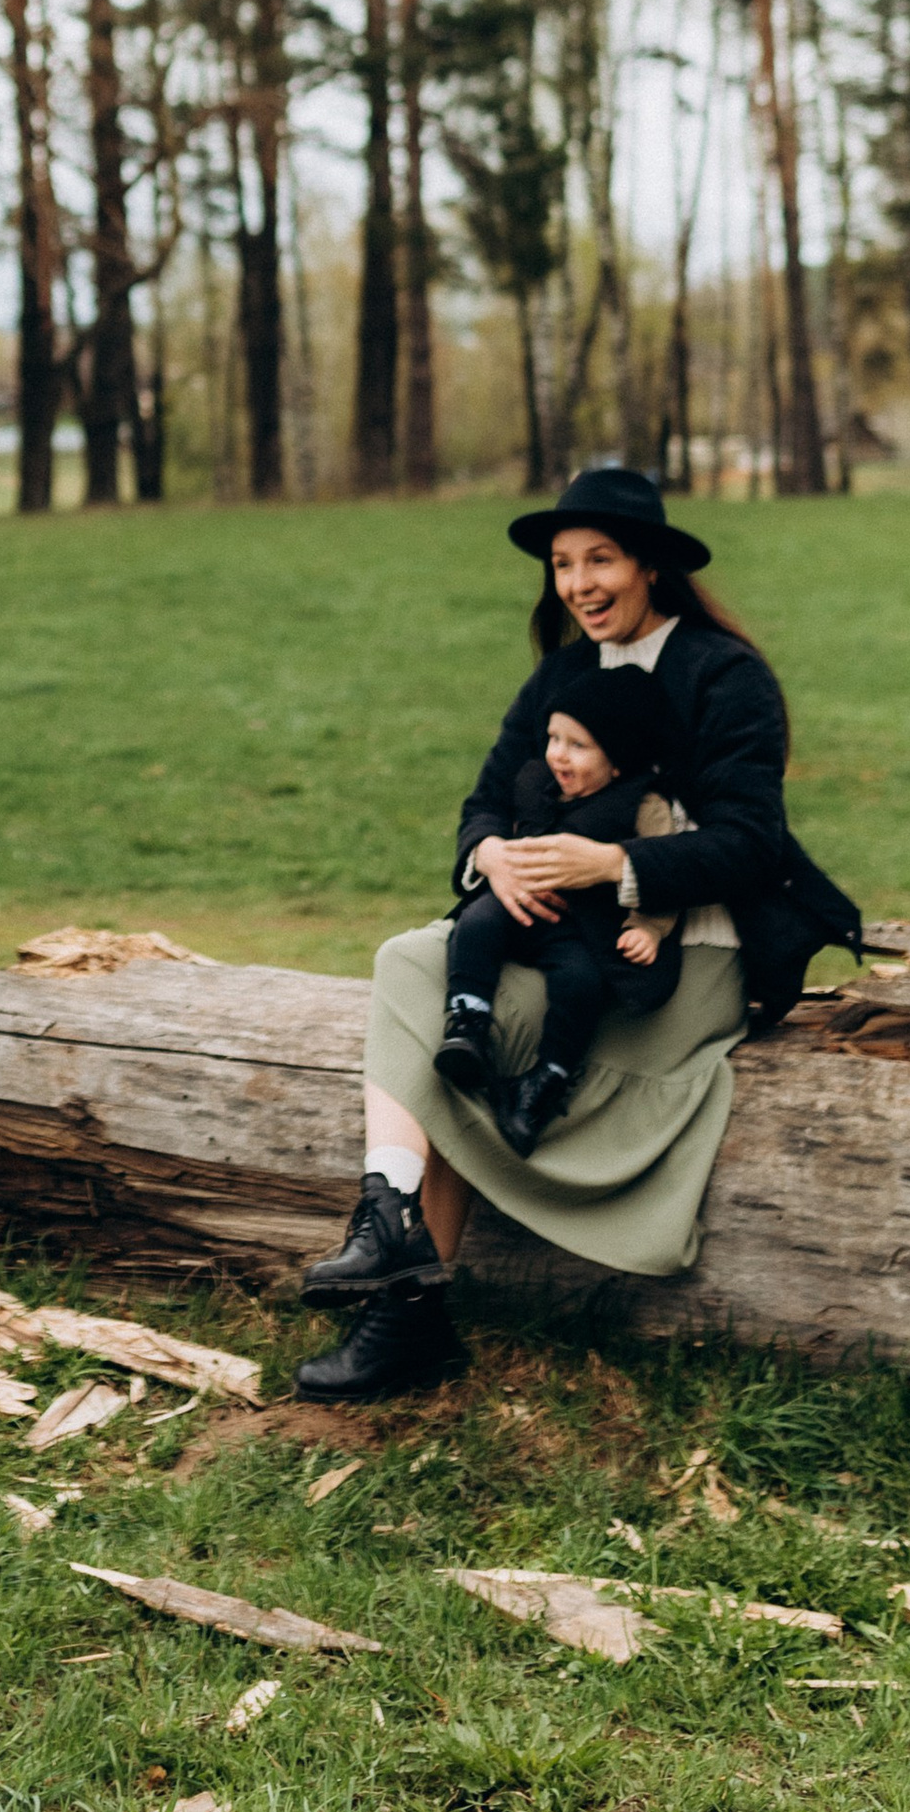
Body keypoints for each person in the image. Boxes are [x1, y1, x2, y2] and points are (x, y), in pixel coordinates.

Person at [291, 467, 859, 1405]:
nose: (579, 584)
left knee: (450, 1025)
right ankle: (387, 1219)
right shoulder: (560, 675)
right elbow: (484, 803)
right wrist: (492, 857)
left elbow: (752, 843)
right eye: (563, 565)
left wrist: (613, 866)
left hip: (679, 951)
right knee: (410, 962)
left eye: (601, 560)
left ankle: (408, 1315)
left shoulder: (725, 674)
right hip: (561, 933)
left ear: (650, 567)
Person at [434, 664, 680, 1154]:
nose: (558, 755)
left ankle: (546, 1079)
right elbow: (491, 815)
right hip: (519, 903)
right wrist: (494, 857)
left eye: (577, 745)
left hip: (581, 928)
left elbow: (664, 874)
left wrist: (648, 928)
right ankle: (468, 1022)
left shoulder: (643, 806)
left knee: (580, 983)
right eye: (553, 738)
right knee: (475, 925)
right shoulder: (534, 779)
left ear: (619, 761)